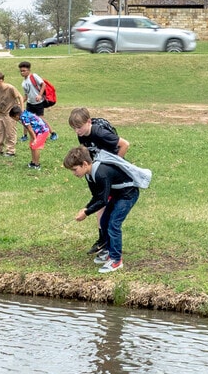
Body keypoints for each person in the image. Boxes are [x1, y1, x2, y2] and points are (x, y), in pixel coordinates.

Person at [64, 146, 141, 274]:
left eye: (74, 169)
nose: (74, 173)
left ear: (85, 164)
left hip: (128, 194)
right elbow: (97, 196)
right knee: (104, 221)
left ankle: (116, 260)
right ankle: (109, 252)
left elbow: (103, 200)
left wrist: (86, 213)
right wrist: (86, 207)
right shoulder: (89, 175)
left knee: (113, 224)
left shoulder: (101, 173)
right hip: (117, 194)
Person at [68, 107, 131, 256]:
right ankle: (103, 240)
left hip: (109, 173)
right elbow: (88, 154)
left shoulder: (99, 133)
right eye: (74, 128)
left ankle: (107, 243)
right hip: (97, 172)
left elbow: (125, 144)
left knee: (104, 205)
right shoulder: (82, 135)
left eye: (79, 127)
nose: (77, 131)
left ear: (88, 122)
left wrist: (113, 165)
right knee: (100, 203)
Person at [18, 61, 58, 141]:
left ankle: (53, 133)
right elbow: (26, 95)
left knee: (41, 118)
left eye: (24, 71)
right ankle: (25, 135)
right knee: (25, 119)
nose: (22, 72)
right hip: (30, 103)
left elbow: (43, 84)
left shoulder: (33, 76)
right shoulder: (23, 83)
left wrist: (40, 95)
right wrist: (20, 102)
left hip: (39, 103)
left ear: (29, 70)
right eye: (21, 71)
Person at [9, 105, 50, 170]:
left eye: (13, 118)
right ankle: (33, 162)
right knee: (32, 146)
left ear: (16, 116)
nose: (14, 120)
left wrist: (35, 139)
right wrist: (32, 138)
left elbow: (30, 128)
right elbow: (30, 129)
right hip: (36, 131)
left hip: (42, 131)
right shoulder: (24, 114)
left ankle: (37, 164)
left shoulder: (24, 117)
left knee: (36, 147)